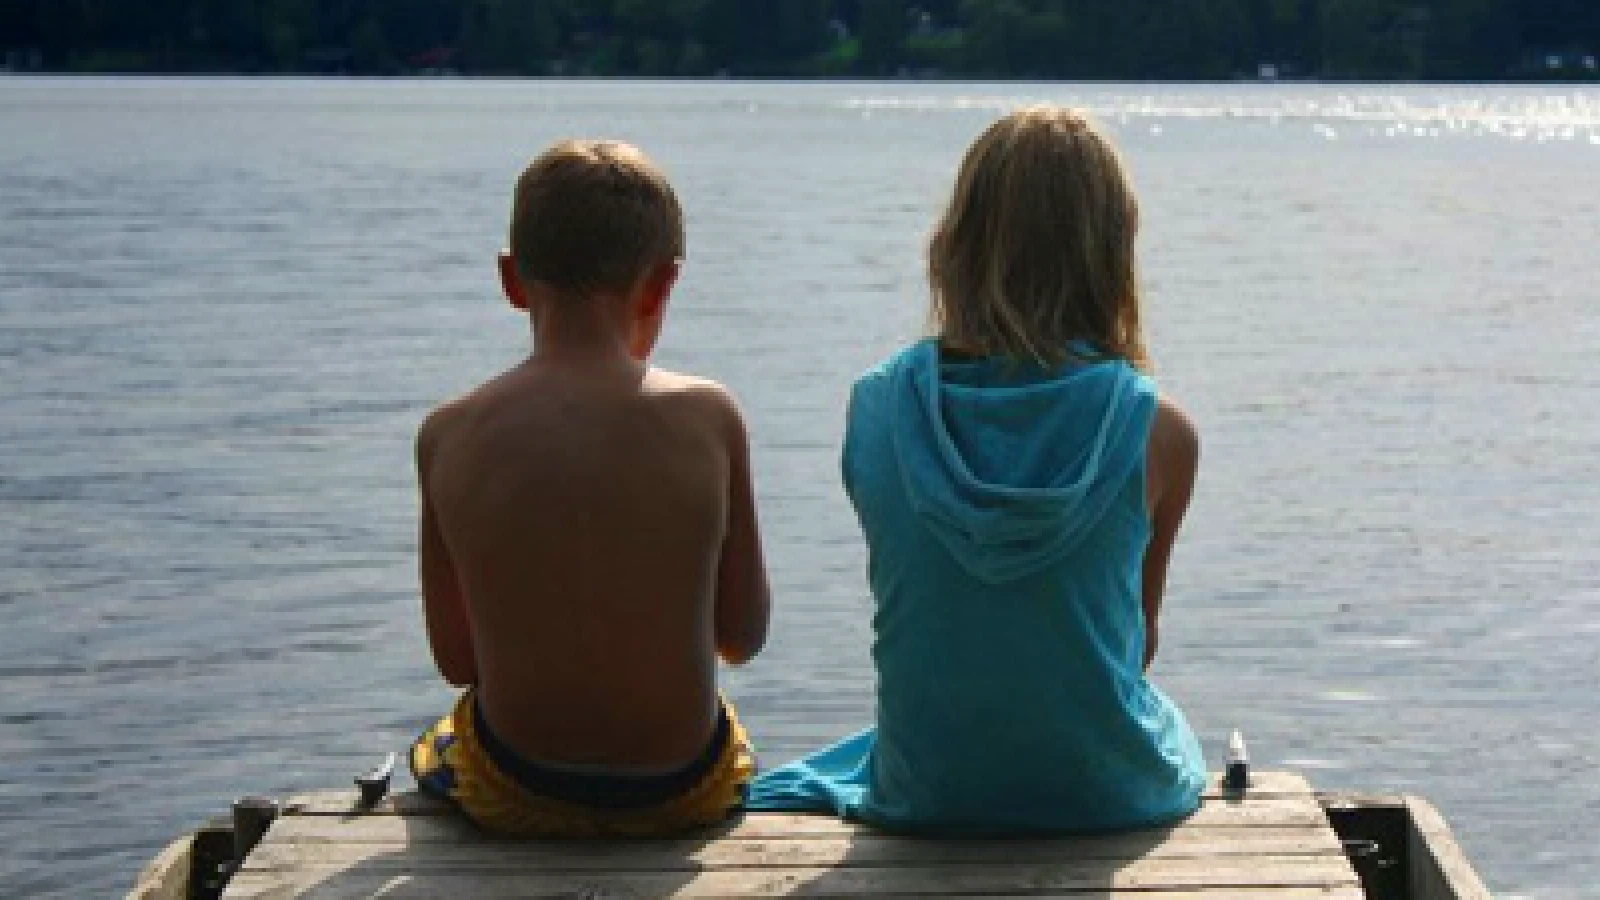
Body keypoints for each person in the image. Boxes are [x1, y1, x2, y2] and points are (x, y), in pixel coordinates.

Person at [748, 107, 1206, 833]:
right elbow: (1135, 644)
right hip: (1103, 796)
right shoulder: (1161, 432)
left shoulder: (877, 410)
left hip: (927, 791)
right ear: (1114, 253)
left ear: (956, 242)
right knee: (1176, 729)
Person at [408, 139, 772, 836]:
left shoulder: (447, 434)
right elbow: (742, 635)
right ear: (663, 285)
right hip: (682, 792)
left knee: (435, 748)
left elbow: (457, 661)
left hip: (516, 789)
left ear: (511, 281)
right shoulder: (709, 416)